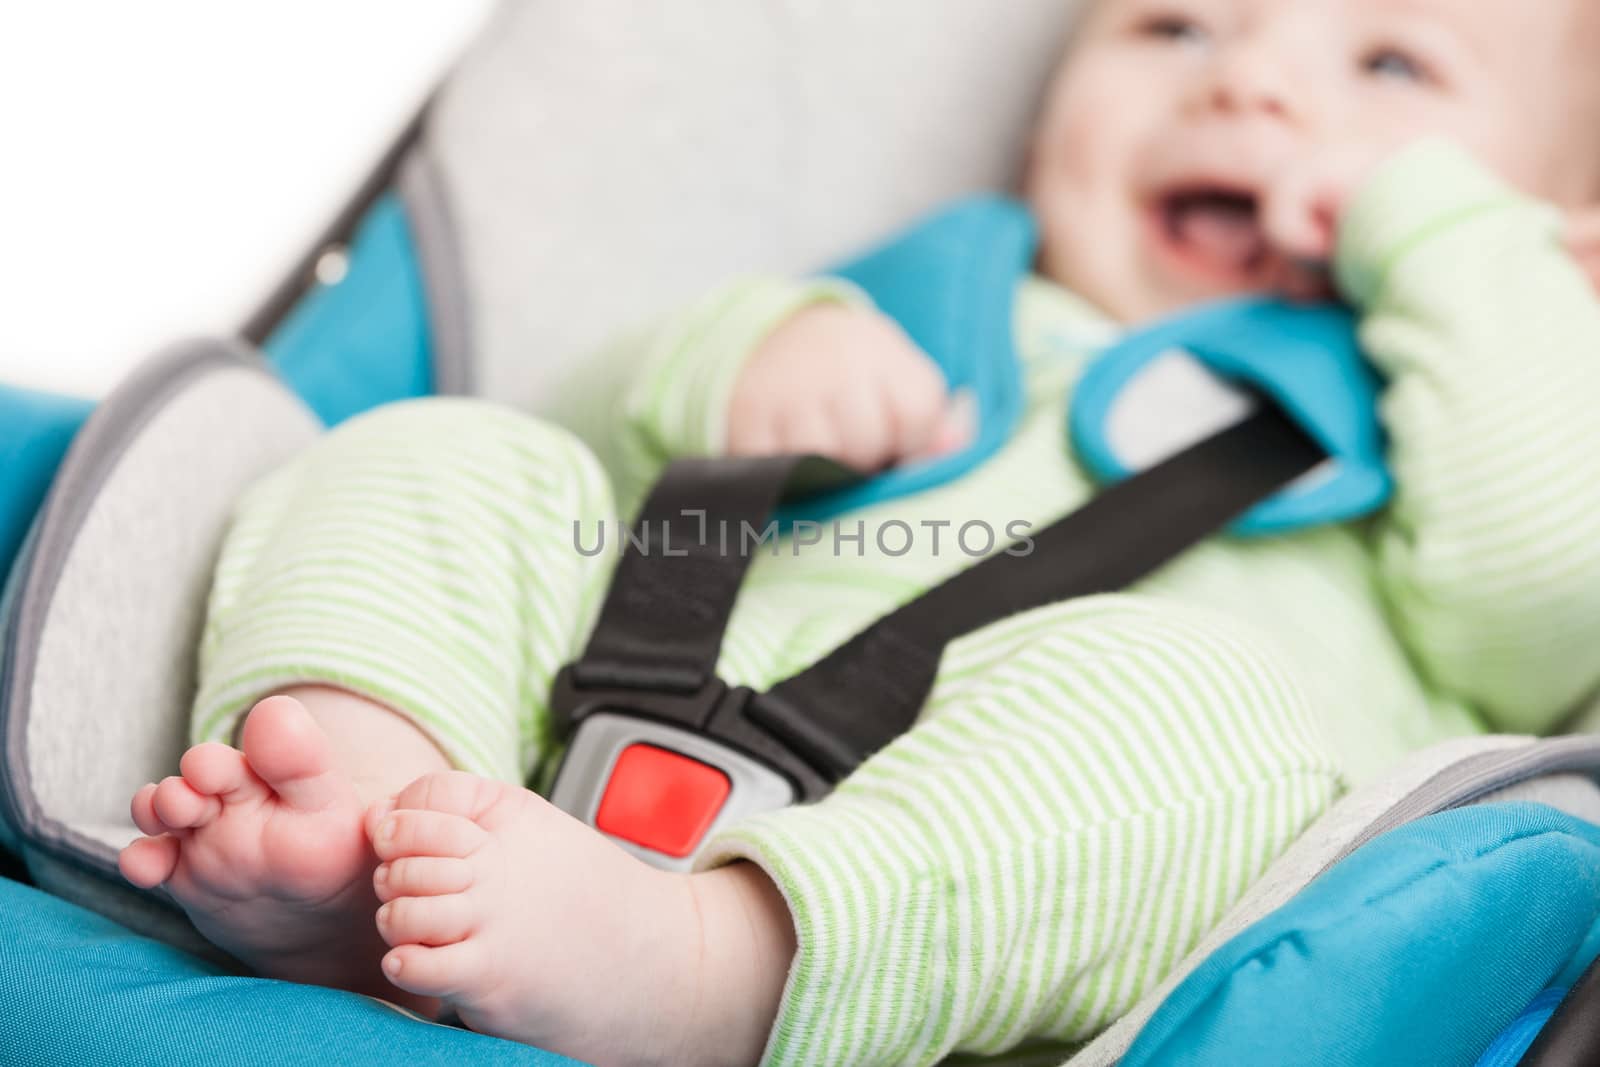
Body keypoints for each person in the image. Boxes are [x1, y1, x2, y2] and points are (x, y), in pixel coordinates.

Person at [117, 1, 1600, 1064]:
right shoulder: (948, 296)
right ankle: (365, 811)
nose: (1253, 81)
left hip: (998, 858)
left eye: (1394, 60)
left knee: (1201, 706)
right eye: (1173, 31)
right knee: (451, 450)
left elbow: (1550, 602)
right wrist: (744, 359)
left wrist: (1452, 236)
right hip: (602, 696)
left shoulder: (1471, 416)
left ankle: (720, 973)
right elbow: (596, 429)